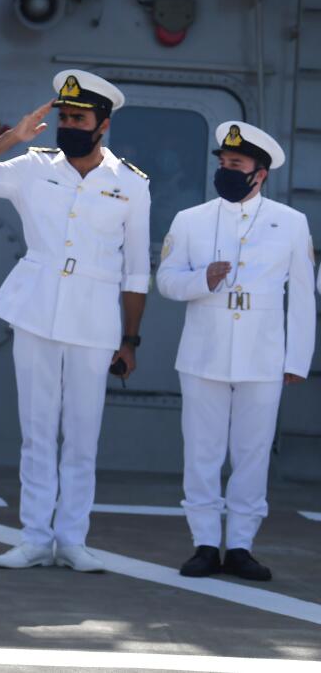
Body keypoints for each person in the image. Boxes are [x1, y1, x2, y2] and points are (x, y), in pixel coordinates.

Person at [0, 70, 150, 573]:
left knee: (83, 435)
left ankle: (73, 539)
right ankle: (35, 537)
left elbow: (137, 270)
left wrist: (130, 340)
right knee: (37, 431)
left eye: (78, 118)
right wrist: (12, 138)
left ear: (102, 123)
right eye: (64, 116)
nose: (68, 125)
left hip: (95, 319)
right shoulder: (32, 167)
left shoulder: (130, 184)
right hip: (37, 310)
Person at [157, 121, 315, 581]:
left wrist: (296, 359)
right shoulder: (192, 219)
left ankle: (242, 545)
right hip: (204, 349)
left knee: (252, 451)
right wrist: (199, 280)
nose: (227, 170)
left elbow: (303, 296)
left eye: (237, 164)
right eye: (223, 163)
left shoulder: (290, 223)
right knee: (202, 450)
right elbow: (165, 280)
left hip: (262, 354)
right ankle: (204, 542)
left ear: (259, 173)